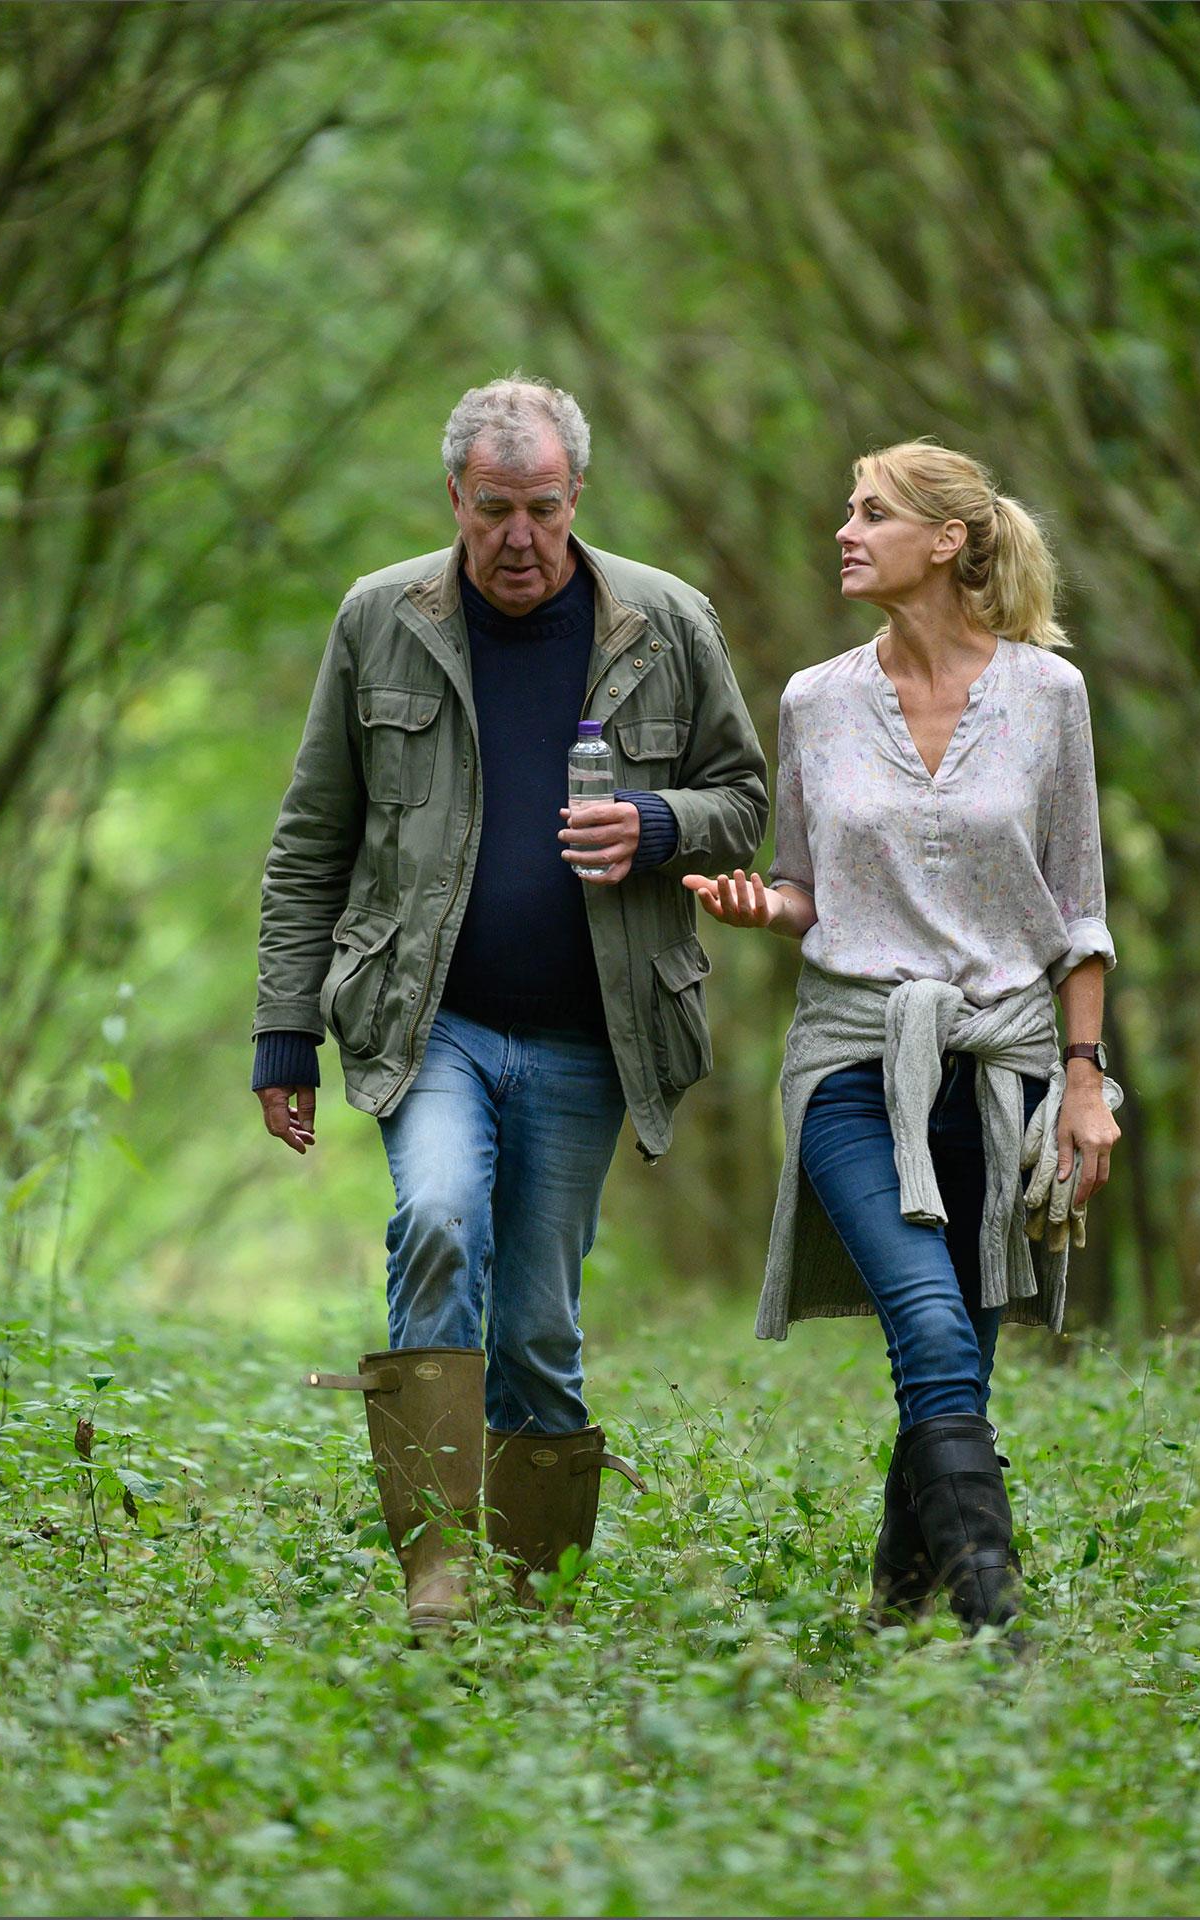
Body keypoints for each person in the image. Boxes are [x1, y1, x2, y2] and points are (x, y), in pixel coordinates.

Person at [252, 374, 770, 1634]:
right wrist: (283, 1031)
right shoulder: (380, 619)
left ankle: (537, 1605)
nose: (520, 537)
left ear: (577, 493)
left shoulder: (666, 622)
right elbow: (311, 838)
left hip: (592, 1034)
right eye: (494, 510)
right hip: (428, 1020)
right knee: (434, 1218)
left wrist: (656, 824)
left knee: (538, 1325)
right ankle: (436, 1574)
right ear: (455, 498)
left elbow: (746, 801)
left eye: (542, 507)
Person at [686, 440, 1120, 1637]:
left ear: (946, 541)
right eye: (848, 509)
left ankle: (891, 1609)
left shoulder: (1050, 697)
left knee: (954, 1365)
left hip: (1000, 1069)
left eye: (871, 513)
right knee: (927, 1325)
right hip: (849, 1062)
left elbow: (1078, 909)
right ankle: (998, 1627)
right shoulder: (813, 701)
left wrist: (1084, 1081)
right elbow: (804, 886)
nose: (845, 529)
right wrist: (759, 905)